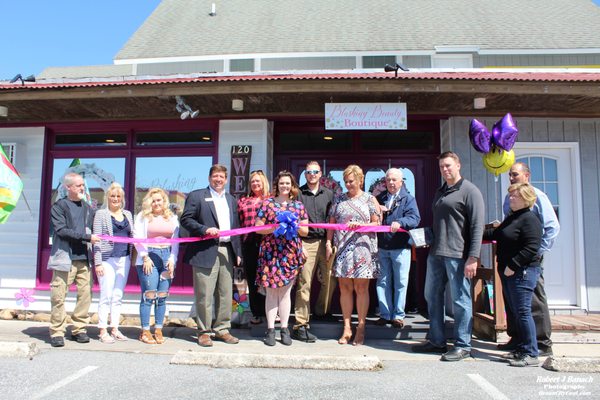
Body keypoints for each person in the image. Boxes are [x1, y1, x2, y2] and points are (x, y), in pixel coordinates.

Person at [412, 151, 484, 361]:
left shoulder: (470, 191)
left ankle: (463, 345)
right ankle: (437, 340)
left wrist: (473, 257)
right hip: (436, 253)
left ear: (458, 165)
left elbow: (477, 227)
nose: (445, 169)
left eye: (448, 165)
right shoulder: (441, 191)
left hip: (458, 255)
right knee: (431, 296)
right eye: (442, 166)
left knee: (461, 300)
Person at [499, 162, 560, 356]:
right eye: (509, 175)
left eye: (515, 174)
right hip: (511, 259)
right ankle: (518, 338)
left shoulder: (537, 197)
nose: (511, 177)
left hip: (527, 260)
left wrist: (536, 252)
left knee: (533, 301)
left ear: (527, 175)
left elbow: (552, 228)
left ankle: (541, 343)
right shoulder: (510, 198)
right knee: (512, 300)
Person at [181, 164, 242, 347]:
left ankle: (222, 329)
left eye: (221, 177)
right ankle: (204, 331)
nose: (218, 179)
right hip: (204, 250)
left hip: (226, 250)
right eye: (215, 176)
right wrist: (204, 229)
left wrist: (238, 252)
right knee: (204, 294)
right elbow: (186, 219)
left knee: (225, 293)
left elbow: (236, 227)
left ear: (225, 179)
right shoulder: (197, 196)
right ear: (209, 178)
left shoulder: (231, 200)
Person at [484, 183, 543, 367]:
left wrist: (513, 264)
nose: (510, 199)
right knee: (515, 311)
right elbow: (497, 233)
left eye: (514, 196)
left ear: (526, 198)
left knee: (523, 311)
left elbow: (532, 247)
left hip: (522, 272)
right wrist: (473, 231)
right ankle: (520, 346)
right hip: (508, 271)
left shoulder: (530, 219)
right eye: (510, 196)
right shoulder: (513, 217)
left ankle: (531, 353)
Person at [326, 164, 381, 346]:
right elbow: (331, 224)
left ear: (360, 180)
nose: (348, 184)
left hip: (362, 249)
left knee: (361, 289)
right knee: (345, 288)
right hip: (342, 249)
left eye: (352, 181)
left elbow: (377, 224)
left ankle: (361, 327)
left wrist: (360, 225)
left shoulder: (369, 199)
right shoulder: (338, 199)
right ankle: (347, 327)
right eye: (346, 181)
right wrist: (328, 242)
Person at [256, 170, 309, 346]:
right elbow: (258, 228)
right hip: (271, 252)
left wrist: (293, 224)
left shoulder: (298, 206)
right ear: (277, 186)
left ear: (292, 186)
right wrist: (275, 227)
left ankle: (285, 329)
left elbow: (306, 230)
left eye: (288, 183)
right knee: (271, 291)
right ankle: (271, 329)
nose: (284, 186)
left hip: (290, 253)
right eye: (281, 183)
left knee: (285, 292)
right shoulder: (267, 204)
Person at [48, 172, 100, 347]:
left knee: (85, 296)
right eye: (78, 185)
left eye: (83, 185)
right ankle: (57, 331)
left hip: (84, 259)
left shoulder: (88, 207)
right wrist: (87, 237)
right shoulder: (59, 206)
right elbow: (61, 231)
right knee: (58, 296)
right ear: (68, 187)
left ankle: (79, 329)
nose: (82, 188)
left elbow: (95, 228)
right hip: (65, 259)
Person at [292, 161, 335, 343]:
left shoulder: (329, 194)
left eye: (315, 171)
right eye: (309, 172)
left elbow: (332, 219)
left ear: (320, 174)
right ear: (305, 174)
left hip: (325, 241)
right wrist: (299, 244)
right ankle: (301, 323)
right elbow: (294, 221)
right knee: (304, 282)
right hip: (305, 242)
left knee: (330, 279)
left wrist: (329, 242)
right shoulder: (298, 194)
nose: (312, 174)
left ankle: (321, 312)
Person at [375, 168, 421, 328]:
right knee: (382, 281)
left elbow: (415, 218)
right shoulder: (379, 198)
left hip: (401, 247)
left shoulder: (408, 199)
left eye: (394, 180)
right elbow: (370, 217)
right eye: (388, 180)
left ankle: (398, 316)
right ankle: (385, 314)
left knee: (401, 282)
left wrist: (401, 222)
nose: (391, 183)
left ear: (401, 182)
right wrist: (377, 212)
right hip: (382, 246)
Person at [133, 188, 179, 345]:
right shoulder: (142, 217)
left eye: (159, 200)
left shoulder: (172, 217)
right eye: (153, 200)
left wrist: (173, 259)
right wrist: (144, 257)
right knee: (149, 295)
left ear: (164, 201)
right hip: (149, 257)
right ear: (149, 202)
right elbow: (137, 238)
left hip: (167, 256)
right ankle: (145, 330)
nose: (156, 203)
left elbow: (176, 241)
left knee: (162, 296)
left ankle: (158, 329)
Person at [93, 182, 134, 343]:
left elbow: (133, 235)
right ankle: (102, 330)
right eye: (112, 196)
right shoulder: (101, 214)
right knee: (106, 295)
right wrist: (97, 263)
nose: (115, 199)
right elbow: (96, 240)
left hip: (124, 258)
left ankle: (115, 328)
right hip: (106, 259)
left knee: (118, 295)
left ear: (122, 198)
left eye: (118, 196)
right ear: (107, 197)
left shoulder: (128, 215)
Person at [237, 170, 270, 325]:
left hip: (268, 244)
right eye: (253, 182)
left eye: (258, 181)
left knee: (268, 279)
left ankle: (270, 312)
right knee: (252, 280)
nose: (255, 184)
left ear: (264, 182)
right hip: (249, 244)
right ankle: (256, 313)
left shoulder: (271, 200)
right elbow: (238, 224)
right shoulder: (243, 201)